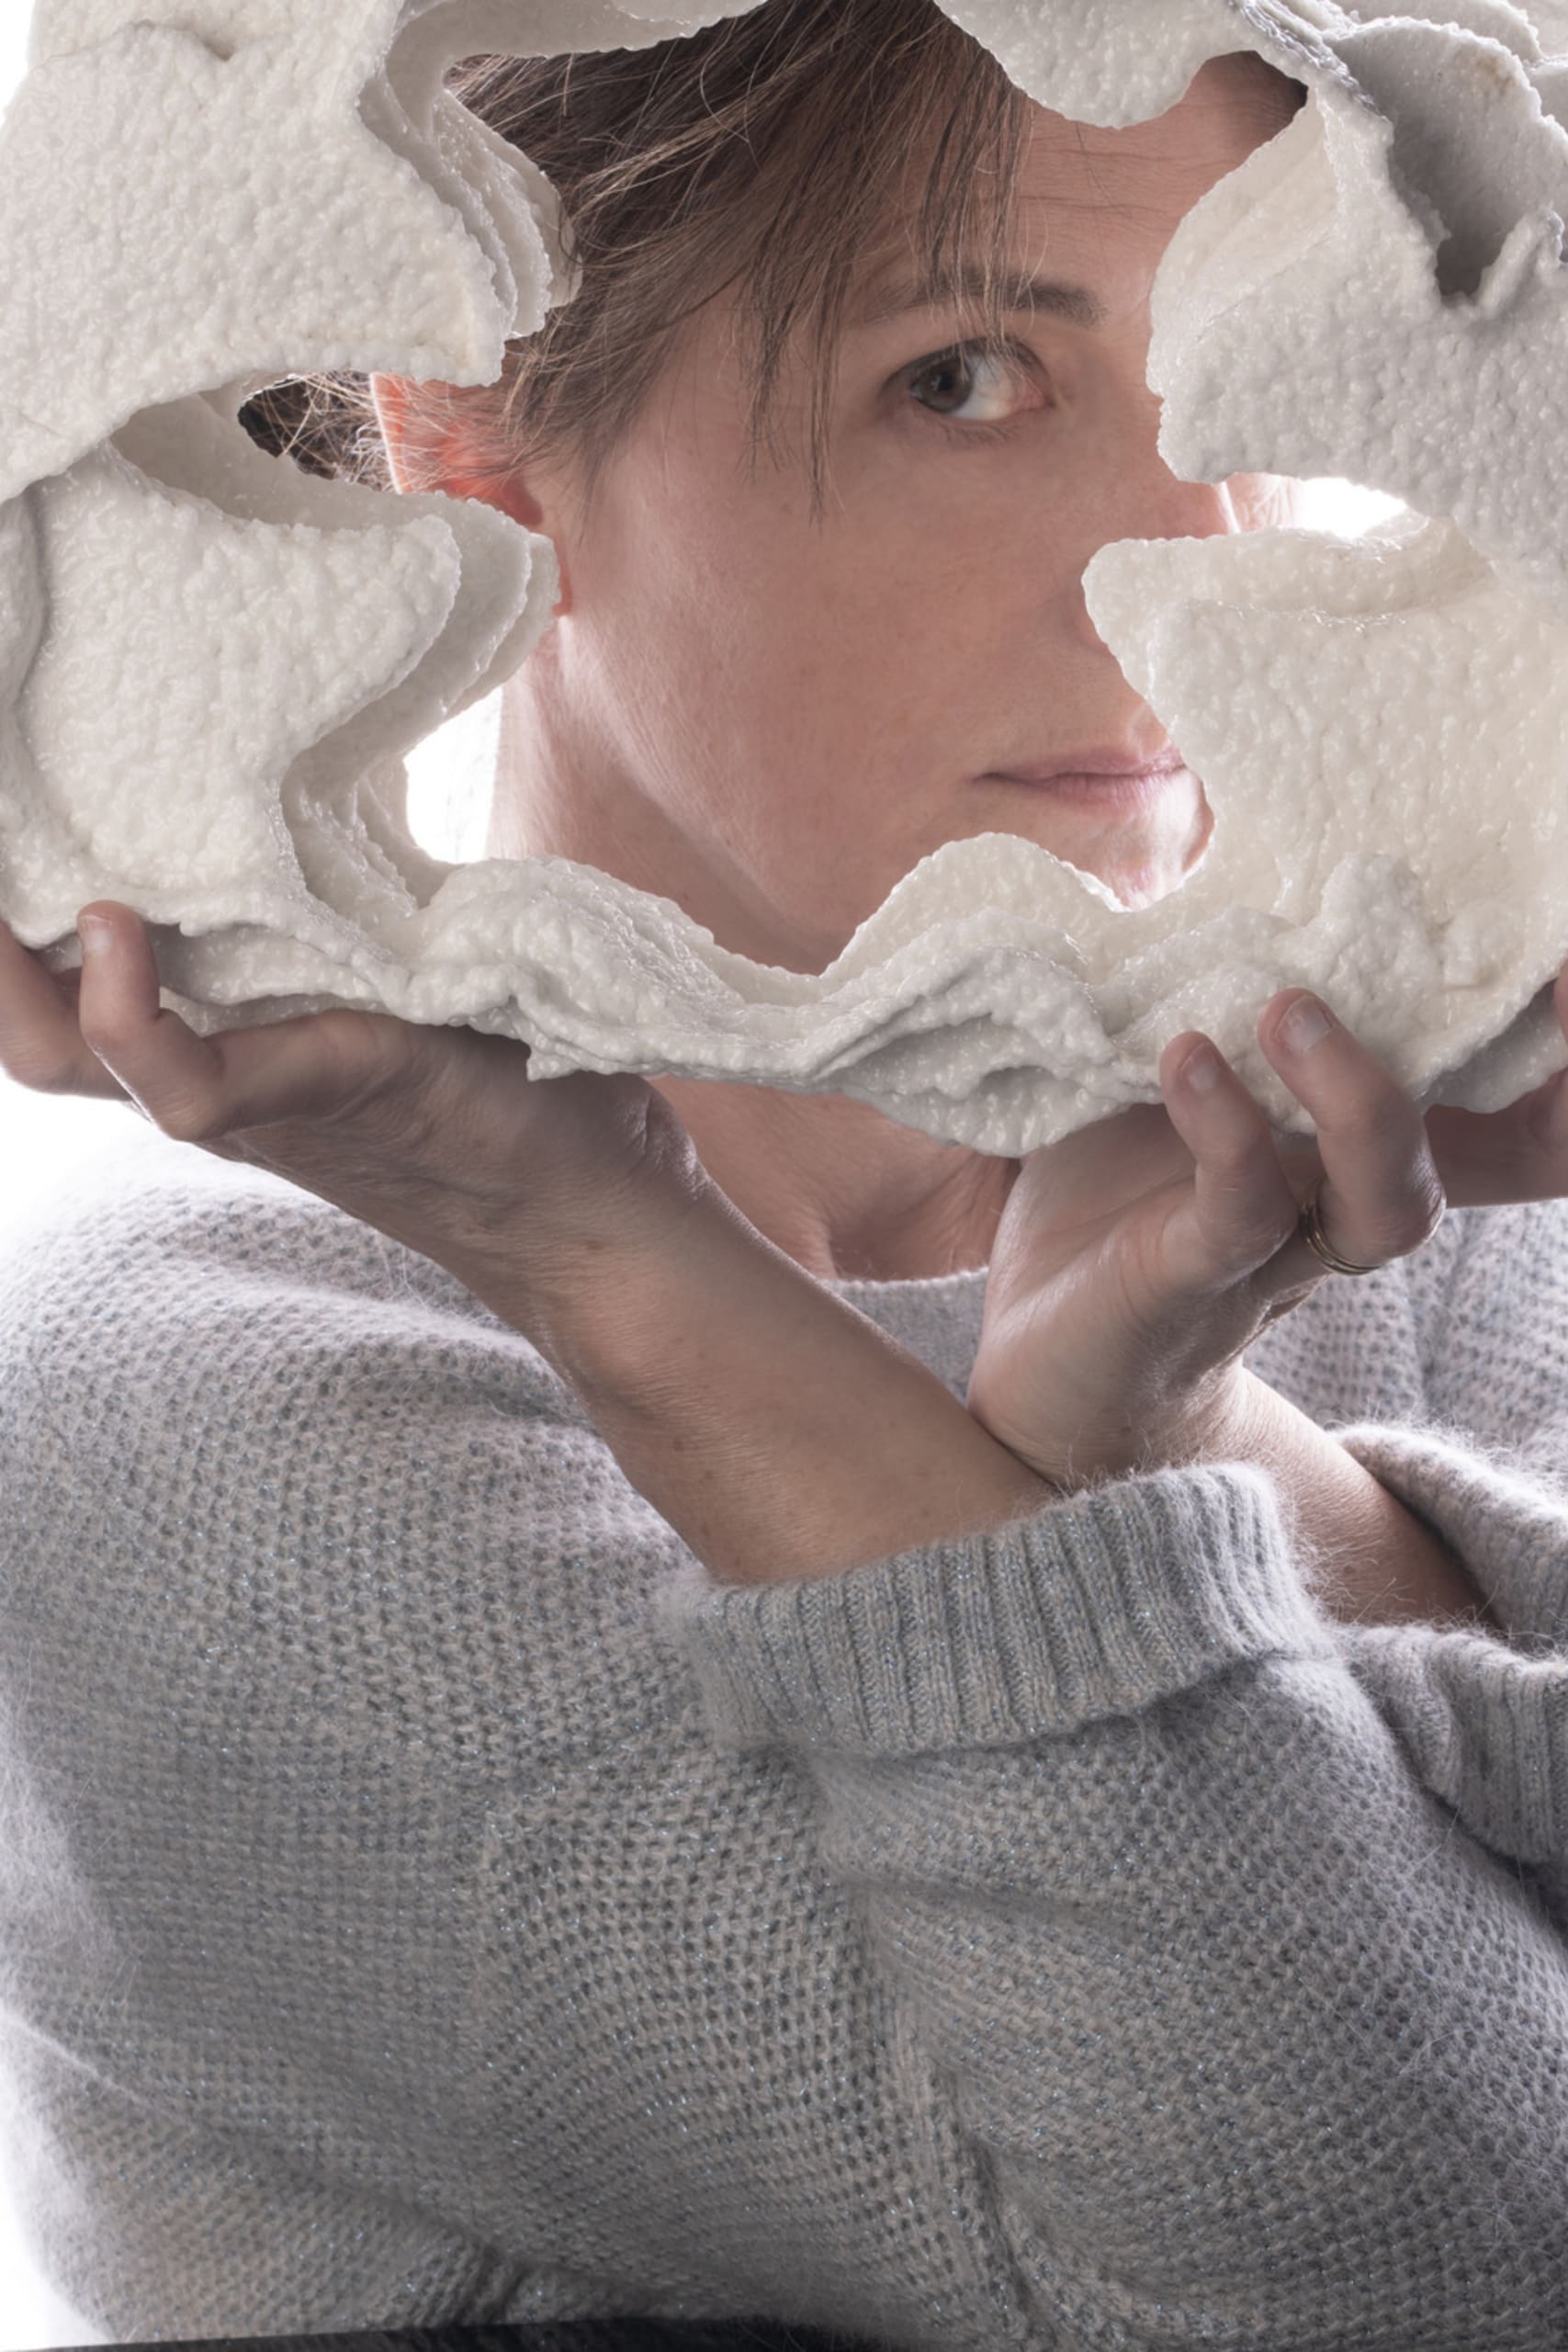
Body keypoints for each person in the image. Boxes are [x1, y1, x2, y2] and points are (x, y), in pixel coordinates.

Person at [2, 1, 1568, 2342]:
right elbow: (1412, 2262)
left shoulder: (1423, 1238)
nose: (1181, 566)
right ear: (471, 429)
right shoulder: (187, 1425)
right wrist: (595, 1245)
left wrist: (1177, 1421)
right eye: (964, 378)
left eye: (1243, 382)